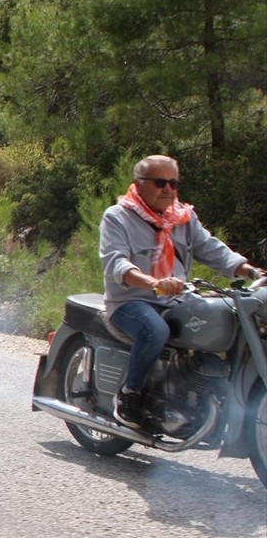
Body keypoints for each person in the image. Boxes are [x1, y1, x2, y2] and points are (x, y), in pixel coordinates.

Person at [100, 155, 261, 429]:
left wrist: (249, 271)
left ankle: (207, 394)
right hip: (132, 301)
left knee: (227, 319)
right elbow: (116, 263)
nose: (168, 190)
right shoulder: (118, 217)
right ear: (139, 184)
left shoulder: (183, 218)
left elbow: (211, 248)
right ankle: (130, 396)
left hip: (177, 299)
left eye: (173, 183)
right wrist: (153, 282)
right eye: (160, 182)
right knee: (155, 331)